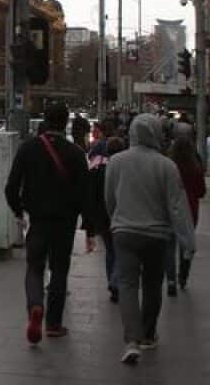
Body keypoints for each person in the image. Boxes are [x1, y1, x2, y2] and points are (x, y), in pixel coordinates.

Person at [105, 113, 197, 365]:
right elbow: (177, 207)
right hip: (156, 236)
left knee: (127, 285)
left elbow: (109, 198)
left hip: (124, 232)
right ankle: (147, 334)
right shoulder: (167, 166)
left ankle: (131, 340)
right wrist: (188, 242)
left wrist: (116, 220)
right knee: (152, 285)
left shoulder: (116, 162)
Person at [5, 102, 89, 344]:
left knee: (34, 268)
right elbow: (84, 193)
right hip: (64, 223)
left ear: (45, 120)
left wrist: (19, 210)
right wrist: (90, 228)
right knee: (60, 270)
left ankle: (35, 306)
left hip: (38, 220)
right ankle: (53, 324)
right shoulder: (75, 153)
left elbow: (11, 186)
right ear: (66, 123)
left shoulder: (28, 149)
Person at [86, 136, 125, 302]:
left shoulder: (97, 169)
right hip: (121, 216)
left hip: (103, 217)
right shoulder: (125, 168)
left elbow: (91, 196)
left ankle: (112, 281)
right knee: (121, 251)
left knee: (110, 251)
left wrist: (91, 224)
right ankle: (116, 282)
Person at [164, 135, 205, 294]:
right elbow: (201, 192)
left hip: (171, 207)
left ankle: (171, 279)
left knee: (169, 245)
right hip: (190, 209)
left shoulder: (168, 166)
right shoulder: (195, 168)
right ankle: (184, 274)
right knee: (186, 242)